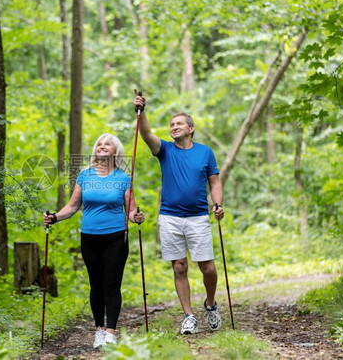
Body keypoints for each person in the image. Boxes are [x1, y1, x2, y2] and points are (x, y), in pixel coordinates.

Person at [133, 90, 224, 334]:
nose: (174, 127)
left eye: (179, 123)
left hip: (198, 217)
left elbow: (214, 182)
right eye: (171, 124)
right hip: (170, 216)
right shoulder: (165, 150)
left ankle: (211, 304)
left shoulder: (205, 152)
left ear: (191, 128)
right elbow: (146, 134)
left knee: (209, 268)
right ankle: (188, 316)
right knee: (179, 267)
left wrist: (217, 203)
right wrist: (142, 111)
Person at [43, 133, 145, 348]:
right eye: (99, 143)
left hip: (116, 237)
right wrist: (54, 218)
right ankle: (99, 330)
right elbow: (72, 207)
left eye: (107, 144)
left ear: (115, 151)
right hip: (89, 237)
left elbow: (131, 209)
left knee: (111, 285)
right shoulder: (84, 175)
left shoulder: (124, 179)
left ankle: (110, 332)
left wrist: (136, 217)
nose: (102, 146)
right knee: (95, 285)